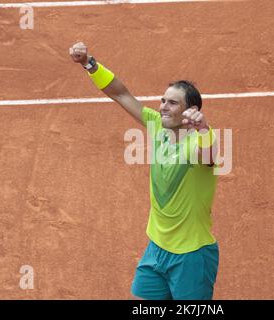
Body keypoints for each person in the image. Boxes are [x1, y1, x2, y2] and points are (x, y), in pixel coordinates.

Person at [69, 42, 219, 300]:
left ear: (190, 111)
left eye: (172, 103)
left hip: (191, 255)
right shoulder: (156, 126)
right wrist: (89, 64)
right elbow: (121, 94)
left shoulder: (199, 142)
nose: (162, 106)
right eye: (163, 100)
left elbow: (209, 156)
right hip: (156, 249)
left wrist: (204, 129)